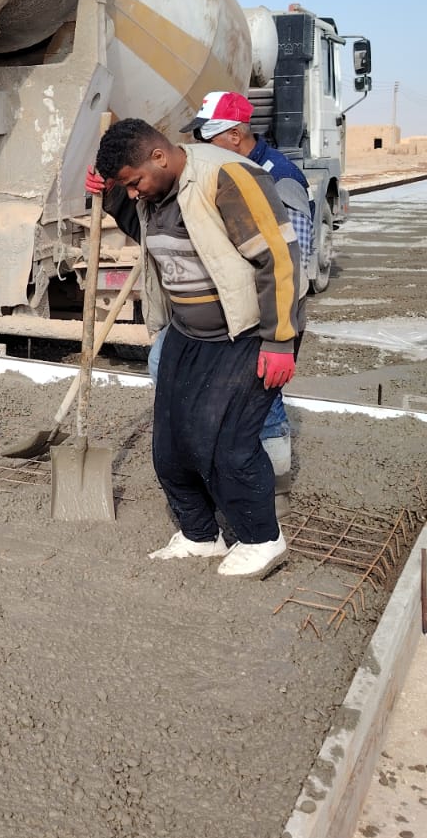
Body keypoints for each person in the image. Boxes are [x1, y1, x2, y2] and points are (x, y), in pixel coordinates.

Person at [92, 117, 304, 579]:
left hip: (247, 332)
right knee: (171, 444)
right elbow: (151, 234)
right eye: (126, 188)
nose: (134, 193)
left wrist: (279, 340)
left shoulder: (226, 177)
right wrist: (112, 195)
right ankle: (200, 535)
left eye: (134, 182)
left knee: (229, 445)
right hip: (188, 331)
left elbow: (278, 257)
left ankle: (262, 540)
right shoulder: (151, 194)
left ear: (159, 156)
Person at [181, 90, 315, 492]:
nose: (201, 147)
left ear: (236, 135)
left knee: (265, 398)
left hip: (270, 310)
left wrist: (279, 336)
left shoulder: (280, 177)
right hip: (237, 308)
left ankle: (276, 485)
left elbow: (294, 259)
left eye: (208, 138)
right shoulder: (224, 172)